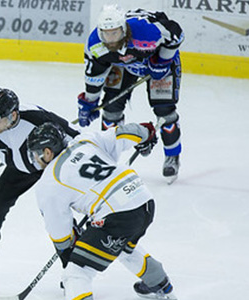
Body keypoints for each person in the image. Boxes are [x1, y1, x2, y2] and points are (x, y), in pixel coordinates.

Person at [27, 122, 177, 300]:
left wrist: (70, 255)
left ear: (47, 152)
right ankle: (158, 282)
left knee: (77, 272)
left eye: (36, 154)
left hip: (118, 215)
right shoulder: (85, 141)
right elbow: (127, 133)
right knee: (121, 247)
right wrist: (147, 135)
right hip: (143, 201)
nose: (35, 159)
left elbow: (60, 234)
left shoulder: (49, 181)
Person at [0, 87, 78, 275]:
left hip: (51, 168)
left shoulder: (36, 117)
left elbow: (74, 136)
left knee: (55, 214)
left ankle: (74, 266)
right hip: (19, 170)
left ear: (13, 115)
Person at [78, 5, 185, 183]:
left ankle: (172, 156)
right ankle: (107, 159)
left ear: (124, 29)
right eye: (106, 34)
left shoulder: (146, 31)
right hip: (122, 66)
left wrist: (162, 61)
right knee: (110, 110)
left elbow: (176, 34)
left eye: (115, 33)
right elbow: (94, 75)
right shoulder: (95, 45)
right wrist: (89, 102)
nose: (110, 39)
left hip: (156, 63)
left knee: (164, 110)